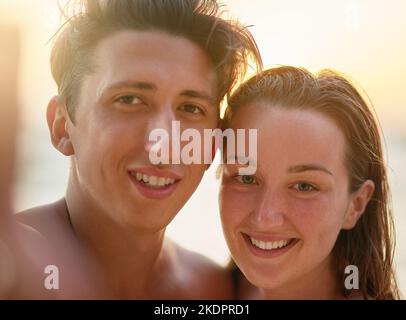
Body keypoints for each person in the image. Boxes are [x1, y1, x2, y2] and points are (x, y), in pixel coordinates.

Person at [14, 0, 262, 299]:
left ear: (212, 145)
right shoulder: (15, 264)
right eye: (129, 100)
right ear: (61, 125)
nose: (163, 143)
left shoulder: (215, 288)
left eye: (190, 108)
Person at [219, 66, 401, 299]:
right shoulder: (204, 290)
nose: (265, 217)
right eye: (246, 178)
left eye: (304, 186)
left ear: (355, 204)